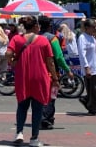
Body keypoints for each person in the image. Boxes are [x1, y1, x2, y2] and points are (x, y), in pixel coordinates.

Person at [6, 15, 58, 147]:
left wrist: (11, 62)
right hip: (39, 77)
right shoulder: (43, 40)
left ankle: (19, 133)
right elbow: (50, 61)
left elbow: (8, 53)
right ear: (35, 26)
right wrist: (55, 78)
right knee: (37, 109)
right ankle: (34, 138)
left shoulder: (17, 39)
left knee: (22, 106)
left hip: (22, 77)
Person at [37, 16, 74, 130]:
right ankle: (46, 119)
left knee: (39, 97)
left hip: (36, 71)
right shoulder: (52, 38)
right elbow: (58, 57)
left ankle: (39, 118)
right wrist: (67, 70)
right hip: (50, 72)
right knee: (51, 97)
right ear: (49, 26)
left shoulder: (34, 38)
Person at [77, 19, 96, 116]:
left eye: (95, 27)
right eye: (93, 27)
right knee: (94, 89)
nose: (95, 28)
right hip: (91, 67)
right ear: (87, 28)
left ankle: (87, 99)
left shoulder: (93, 37)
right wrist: (86, 67)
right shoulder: (82, 38)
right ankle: (93, 109)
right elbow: (82, 53)